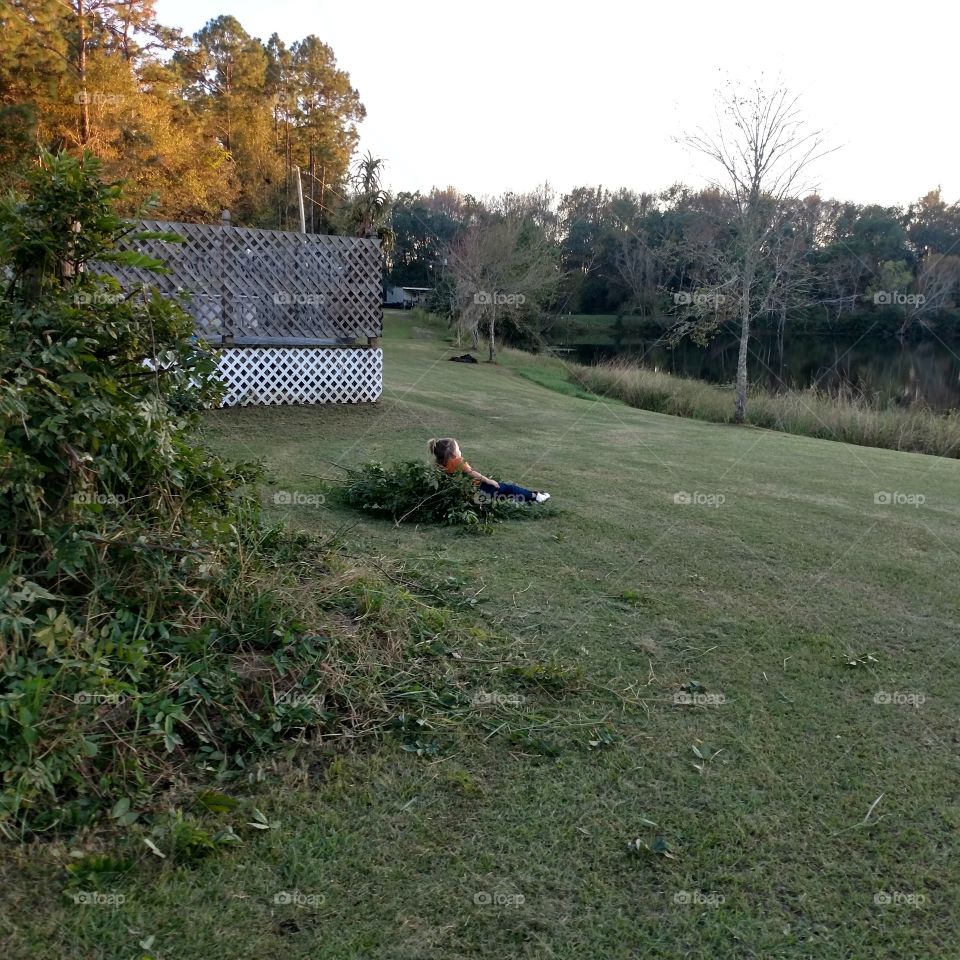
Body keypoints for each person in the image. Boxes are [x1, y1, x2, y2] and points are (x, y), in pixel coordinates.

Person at [427, 437, 550, 503]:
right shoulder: (458, 461)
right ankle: (536, 496)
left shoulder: (439, 465)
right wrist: (488, 480)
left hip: (467, 492)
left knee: (501, 494)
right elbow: (471, 473)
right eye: (458, 448)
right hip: (480, 487)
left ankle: (522, 499)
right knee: (509, 488)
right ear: (453, 453)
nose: (460, 450)